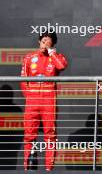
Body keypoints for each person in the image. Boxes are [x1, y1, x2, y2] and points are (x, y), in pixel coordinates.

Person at [20, 31, 67, 171]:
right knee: (29, 134)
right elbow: (23, 81)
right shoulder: (29, 58)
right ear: (39, 42)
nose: (44, 43)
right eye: (42, 40)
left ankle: (49, 169)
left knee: (50, 135)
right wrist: (30, 97)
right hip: (32, 100)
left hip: (49, 100)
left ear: (52, 44)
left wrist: (52, 53)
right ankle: (27, 168)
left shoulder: (57, 57)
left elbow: (62, 66)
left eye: (47, 41)